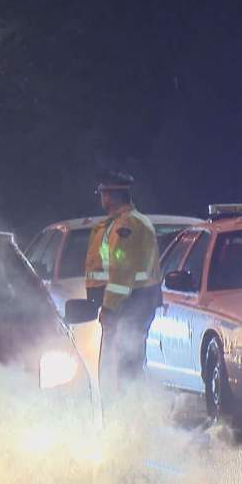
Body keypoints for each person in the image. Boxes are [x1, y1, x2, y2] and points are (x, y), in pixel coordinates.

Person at [85, 171, 162, 400]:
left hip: (129, 305)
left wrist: (109, 307)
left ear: (113, 196)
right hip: (131, 304)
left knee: (124, 366)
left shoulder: (127, 225)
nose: (102, 198)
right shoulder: (121, 223)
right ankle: (125, 409)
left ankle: (127, 412)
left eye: (104, 193)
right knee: (124, 364)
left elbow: (121, 271)